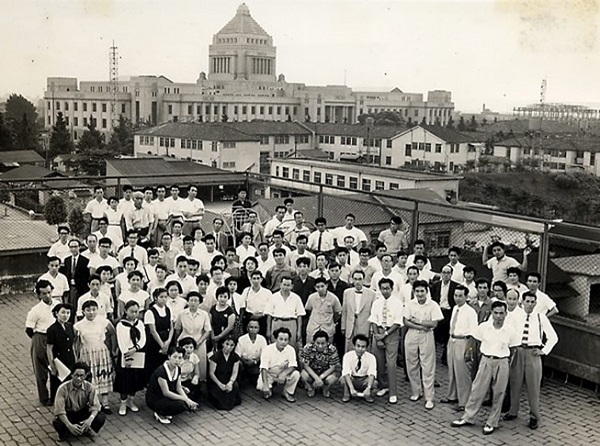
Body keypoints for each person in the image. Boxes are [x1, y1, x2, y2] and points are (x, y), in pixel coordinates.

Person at [451, 301, 521, 435]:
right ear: (492, 313)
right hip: (486, 360)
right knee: (477, 389)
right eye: (496, 313)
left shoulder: (510, 330)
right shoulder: (484, 327)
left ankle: (492, 422)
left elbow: (513, 349)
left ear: (506, 314)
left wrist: (505, 363)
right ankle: (468, 417)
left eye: (501, 313)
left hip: (502, 362)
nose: (498, 316)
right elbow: (475, 341)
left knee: (499, 393)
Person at [503, 291, 558, 430]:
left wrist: (543, 351)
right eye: (527, 301)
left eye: (532, 302)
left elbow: (553, 337)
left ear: (535, 303)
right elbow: (508, 332)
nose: (529, 304)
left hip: (533, 353)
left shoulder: (541, 317)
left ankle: (534, 416)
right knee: (514, 384)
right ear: (522, 302)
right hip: (518, 351)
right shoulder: (515, 316)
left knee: (533, 387)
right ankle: (513, 411)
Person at [403, 280, 443, 410]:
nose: (420, 294)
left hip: (427, 336)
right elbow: (406, 322)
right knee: (411, 364)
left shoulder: (433, 305)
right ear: (414, 292)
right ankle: (416, 391)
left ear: (427, 291)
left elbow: (434, 324)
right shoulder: (410, 304)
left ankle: (429, 397)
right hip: (412, 334)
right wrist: (421, 324)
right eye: (417, 291)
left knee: (427, 366)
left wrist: (418, 320)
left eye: (422, 291)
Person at [74, 300, 117, 414]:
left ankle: (105, 403)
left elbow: (112, 333)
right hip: (87, 353)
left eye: (93, 310)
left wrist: (113, 348)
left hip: (101, 352)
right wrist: (77, 356)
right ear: (83, 311)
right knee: (90, 377)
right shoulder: (78, 325)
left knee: (103, 375)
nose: (91, 313)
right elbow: (76, 342)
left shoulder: (104, 322)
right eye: (88, 310)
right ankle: (93, 403)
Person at [441, 286, 478, 412]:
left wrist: (469, 349)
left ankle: (464, 401)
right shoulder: (455, 308)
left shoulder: (470, 312)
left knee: (462, 373)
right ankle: (452, 396)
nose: (457, 298)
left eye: (460, 296)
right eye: (455, 295)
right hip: (452, 340)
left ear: (466, 297)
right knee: (452, 370)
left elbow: (473, 333)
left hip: (464, 341)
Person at [369, 278, 404, 404]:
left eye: (387, 288)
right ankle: (383, 386)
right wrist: (377, 335)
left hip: (391, 333)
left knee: (391, 364)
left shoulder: (397, 303)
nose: (385, 291)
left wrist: (385, 334)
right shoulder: (377, 303)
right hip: (378, 332)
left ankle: (393, 392)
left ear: (392, 288)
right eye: (382, 288)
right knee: (379, 362)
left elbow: (398, 322)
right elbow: (373, 319)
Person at [52, 362, 106, 441]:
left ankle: (86, 428)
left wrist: (89, 420)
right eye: (76, 375)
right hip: (69, 414)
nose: (79, 378)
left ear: (85, 375)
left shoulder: (90, 387)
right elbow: (59, 411)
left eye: (82, 376)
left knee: (101, 417)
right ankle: (69, 431)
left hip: (82, 412)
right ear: (72, 375)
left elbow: (95, 406)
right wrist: (69, 425)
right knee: (58, 423)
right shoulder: (62, 389)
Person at [146, 346, 198, 424]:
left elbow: (178, 387)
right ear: (169, 356)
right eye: (174, 357)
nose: (177, 360)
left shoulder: (178, 369)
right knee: (182, 404)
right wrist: (186, 400)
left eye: (180, 358)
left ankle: (167, 411)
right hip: (155, 398)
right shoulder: (161, 371)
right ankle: (159, 413)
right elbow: (166, 392)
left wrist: (187, 399)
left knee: (189, 397)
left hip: (167, 395)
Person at [26, 280, 57, 405]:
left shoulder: (58, 305)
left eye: (49, 292)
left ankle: (56, 396)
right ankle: (44, 398)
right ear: (39, 295)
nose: (47, 296)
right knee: (41, 371)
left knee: (56, 367)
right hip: (40, 337)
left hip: (55, 338)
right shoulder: (35, 310)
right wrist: (38, 340)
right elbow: (29, 329)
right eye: (44, 294)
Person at [114, 300, 146, 416]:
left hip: (136, 353)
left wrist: (136, 348)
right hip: (125, 355)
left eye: (136, 311)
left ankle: (131, 401)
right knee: (124, 380)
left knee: (134, 379)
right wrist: (127, 355)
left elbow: (143, 339)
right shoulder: (121, 325)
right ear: (125, 311)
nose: (134, 314)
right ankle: (123, 403)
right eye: (131, 311)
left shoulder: (140, 323)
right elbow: (121, 342)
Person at [174, 292, 212, 383]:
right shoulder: (182, 314)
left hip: (199, 342)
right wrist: (177, 343)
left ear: (199, 302)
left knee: (200, 366)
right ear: (187, 301)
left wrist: (199, 342)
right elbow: (177, 329)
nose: (193, 303)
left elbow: (207, 330)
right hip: (184, 342)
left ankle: (199, 384)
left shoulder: (204, 314)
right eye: (191, 300)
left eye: (196, 301)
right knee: (182, 363)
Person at [257, 327, 300, 402]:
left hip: (282, 371)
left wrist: (283, 374)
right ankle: (270, 387)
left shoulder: (291, 349)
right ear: (275, 339)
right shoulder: (267, 349)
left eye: (286, 340)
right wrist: (266, 386)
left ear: (289, 340)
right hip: (269, 373)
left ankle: (286, 392)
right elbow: (264, 368)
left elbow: (293, 365)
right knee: (262, 388)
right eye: (281, 339)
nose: (283, 342)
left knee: (296, 374)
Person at [430, 265, 460, 365]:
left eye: (448, 273)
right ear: (441, 274)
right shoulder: (435, 285)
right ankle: (431, 355)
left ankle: (445, 357)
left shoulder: (456, 286)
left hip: (449, 312)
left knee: (448, 334)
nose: (446, 275)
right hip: (437, 311)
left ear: (451, 274)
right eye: (444, 272)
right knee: (434, 334)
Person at [46, 303, 77, 401]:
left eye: (68, 313)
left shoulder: (70, 326)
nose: (66, 315)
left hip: (70, 359)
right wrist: (53, 366)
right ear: (56, 313)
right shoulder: (52, 330)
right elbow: (49, 349)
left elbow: (73, 345)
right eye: (63, 312)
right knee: (58, 386)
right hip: (59, 361)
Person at [341, 270, 376, 353]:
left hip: (364, 326)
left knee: (363, 349)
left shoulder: (372, 294)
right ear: (352, 280)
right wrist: (343, 327)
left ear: (364, 280)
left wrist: (371, 329)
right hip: (350, 326)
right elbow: (344, 311)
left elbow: (373, 313)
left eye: (360, 279)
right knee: (349, 349)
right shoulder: (347, 292)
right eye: (355, 279)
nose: (357, 281)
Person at [265, 276, 305, 348]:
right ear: (280, 284)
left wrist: (299, 331)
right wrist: (268, 330)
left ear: (292, 286)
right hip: (277, 322)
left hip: (291, 322)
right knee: (275, 345)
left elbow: (299, 315)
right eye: (284, 285)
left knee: (291, 345)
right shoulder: (273, 297)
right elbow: (269, 315)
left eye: (288, 285)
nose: (285, 287)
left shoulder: (296, 298)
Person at [299, 330, 341, 398]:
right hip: (312, 371)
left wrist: (320, 377)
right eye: (317, 343)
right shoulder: (308, 348)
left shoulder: (332, 349)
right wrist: (316, 378)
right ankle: (310, 388)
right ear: (314, 341)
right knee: (303, 374)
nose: (320, 346)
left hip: (326, 372)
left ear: (327, 342)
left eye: (323, 343)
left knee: (332, 378)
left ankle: (325, 388)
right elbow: (306, 365)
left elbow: (332, 367)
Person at [145, 288, 173, 380]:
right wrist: (162, 345)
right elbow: (153, 331)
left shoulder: (168, 310)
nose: (164, 299)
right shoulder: (150, 312)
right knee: (154, 364)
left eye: (165, 297)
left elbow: (171, 327)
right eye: (161, 297)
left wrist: (168, 341)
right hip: (155, 341)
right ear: (155, 298)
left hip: (167, 340)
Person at [208, 335, 242, 410]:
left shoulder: (235, 357)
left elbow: (234, 372)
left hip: (228, 379)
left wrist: (230, 382)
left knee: (234, 387)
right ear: (223, 344)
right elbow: (211, 373)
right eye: (227, 344)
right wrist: (220, 384)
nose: (228, 347)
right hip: (217, 380)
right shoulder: (215, 356)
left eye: (232, 345)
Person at [341, 333, 378, 403]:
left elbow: (372, 373)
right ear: (354, 346)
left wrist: (369, 387)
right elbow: (346, 373)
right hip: (352, 378)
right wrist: (351, 388)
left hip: (364, 379)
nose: (360, 349)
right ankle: (347, 394)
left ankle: (367, 394)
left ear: (366, 347)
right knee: (343, 379)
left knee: (374, 383)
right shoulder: (347, 356)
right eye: (358, 346)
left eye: (363, 347)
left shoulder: (371, 357)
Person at [305, 277, 342, 342]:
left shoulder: (333, 298)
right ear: (315, 287)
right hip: (313, 328)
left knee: (327, 349)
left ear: (326, 286)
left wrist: (332, 321)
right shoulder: (311, 297)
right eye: (318, 287)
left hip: (327, 329)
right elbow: (308, 310)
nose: (320, 289)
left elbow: (337, 312)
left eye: (322, 286)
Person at [236, 318, 268, 387]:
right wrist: (245, 361)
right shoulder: (241, 339)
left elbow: (265, 355)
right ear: (247, 328)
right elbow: (237, 354)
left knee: (256, 383)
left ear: (259, 329)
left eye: (255, 327)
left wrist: (255, 362)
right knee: (238, 364)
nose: (253, 329)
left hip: (256, 364)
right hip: (244, 363)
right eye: (251, 327)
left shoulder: (262, 339)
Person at [60, 239, 90, 312]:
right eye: (71, 247)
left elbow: (87, 276)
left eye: (75, 246)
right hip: (70, 288)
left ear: (79, 247)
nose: (73, 249)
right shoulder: (67, 260)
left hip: (81, 288)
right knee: (70, 307)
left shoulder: (85, 260)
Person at [242, 270, 271, 336]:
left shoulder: (267, 292)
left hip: (262, 319)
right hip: (249, 318)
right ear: (251, 279)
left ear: (261, 279)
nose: (256, 281)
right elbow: (243, 305)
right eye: (254, 278)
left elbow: (270, 307)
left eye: (258, 278)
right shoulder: (246, 291)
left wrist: (261, 315)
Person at [178, 337, 201, 403]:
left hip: (188, 380)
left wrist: (196, 377)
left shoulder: (194, 357)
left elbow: (197, 373)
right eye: (186, 347)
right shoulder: (178, 357)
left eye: (191, 347)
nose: (189, 350)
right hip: (178, 382)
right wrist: (181, 387)